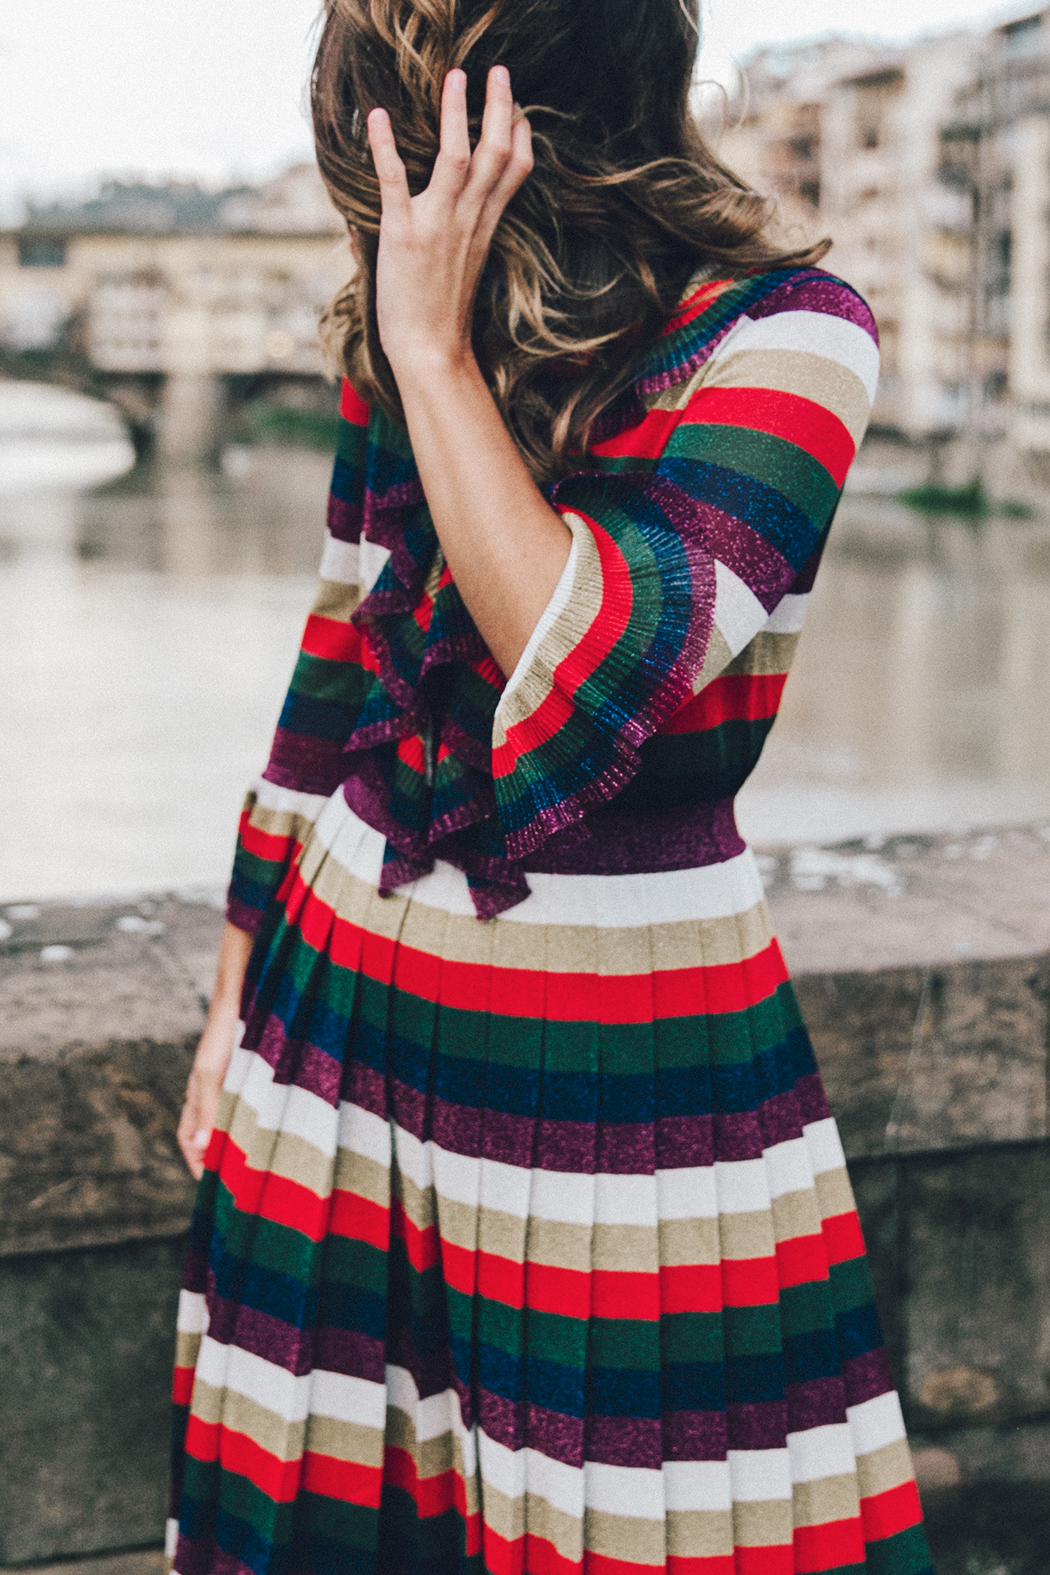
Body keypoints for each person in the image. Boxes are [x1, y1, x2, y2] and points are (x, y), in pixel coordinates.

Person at [169, 2, 933, 1572]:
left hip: (616, 1056)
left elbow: (600, 680)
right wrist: (237, 975)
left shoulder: (794, 330)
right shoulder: (427, 326)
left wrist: (431, 351)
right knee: (345, 1522)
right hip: (339, 1019)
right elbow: (341, 654)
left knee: (661, 1515)